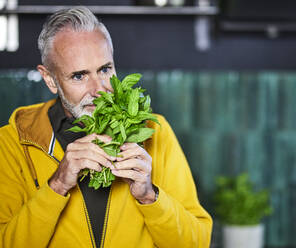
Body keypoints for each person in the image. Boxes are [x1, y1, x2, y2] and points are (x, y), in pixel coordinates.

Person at [0, 6, 212, 248]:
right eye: (79, 76)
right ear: (50, 79)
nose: (99, 89)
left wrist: (149, 196)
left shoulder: (155, 130)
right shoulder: (12, 142)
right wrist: (57, 185)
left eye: (105, 69)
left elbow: (196, 243)